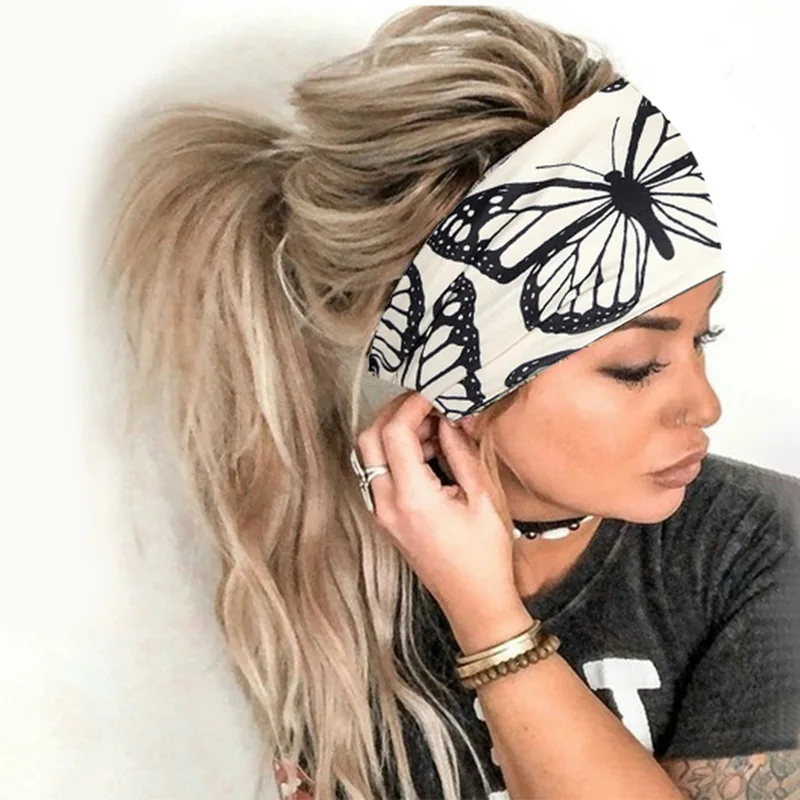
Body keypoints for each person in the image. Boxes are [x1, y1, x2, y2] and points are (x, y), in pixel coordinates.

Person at [101, 5, 800, 799]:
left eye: (703, 339)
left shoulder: (760, 547)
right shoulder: (324, 575)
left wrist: (491, 621)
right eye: (637, 368)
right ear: (461, 382)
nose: (705, 405)